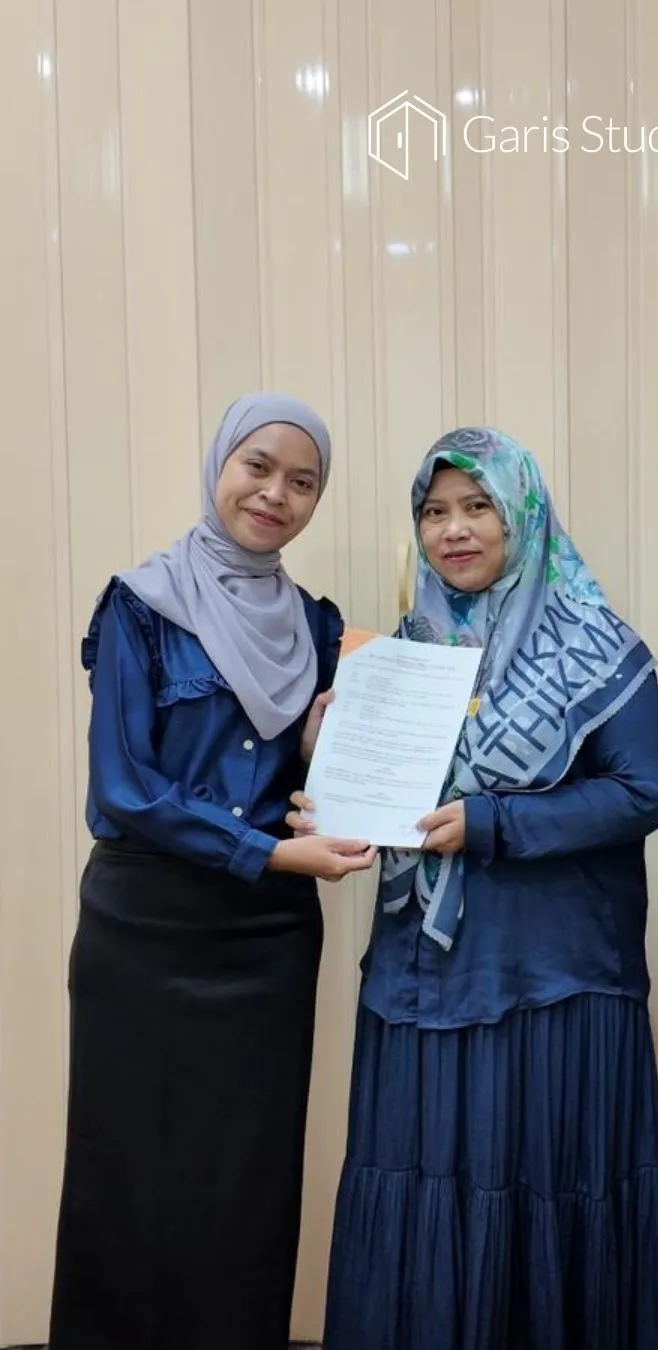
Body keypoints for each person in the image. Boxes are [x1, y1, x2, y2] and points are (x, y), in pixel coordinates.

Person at [289, 427, 658, 1350]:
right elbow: (375, 799)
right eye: (434, 512)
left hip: (553, 979)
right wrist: (324, 759)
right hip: (421, 979)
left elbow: (645, 791)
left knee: (542, 1187)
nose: (454, 530)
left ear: (523, 515)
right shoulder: (400, 657)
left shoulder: (596, 645)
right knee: (421, 1189)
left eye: (478, 507)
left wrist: (496, 822)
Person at [48, 394, 378, 1350]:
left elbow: (293, 779)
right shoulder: (140, 605)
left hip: (266, 938)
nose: (276, 494)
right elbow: (124, 788)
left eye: (303, 481)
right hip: (143, 929)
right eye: (257, 467)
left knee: (245, 1182)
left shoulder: (315, 624)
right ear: (219, 466)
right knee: (126, 1177)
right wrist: (268, 851)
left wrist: (321, 751)